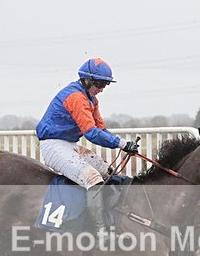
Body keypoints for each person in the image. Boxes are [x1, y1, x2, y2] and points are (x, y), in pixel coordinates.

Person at [36, 58, 139, 234]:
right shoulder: (76, 97)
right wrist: (122, 144)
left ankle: (111, 219)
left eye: (105, 85)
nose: (101, 89)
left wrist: (123, 143)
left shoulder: (91, 99)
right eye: (99, 84)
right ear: (87, 80)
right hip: (53, 146)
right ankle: (99, 231)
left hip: (69, 145)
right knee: (93, 180)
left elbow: (101, 129)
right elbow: (91, 133)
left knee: (109, 172)